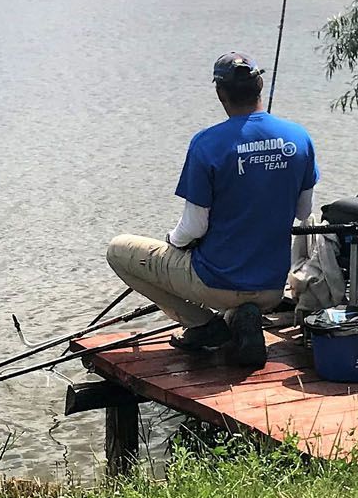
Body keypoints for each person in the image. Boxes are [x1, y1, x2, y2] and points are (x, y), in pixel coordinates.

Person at [106, 52, 317, 369]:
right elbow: (303, 212)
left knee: (118, 250)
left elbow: (192, 228)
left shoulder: (207, 143)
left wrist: (172, 244)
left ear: (220, 93)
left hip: (217, 285)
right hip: (273, 287)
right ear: (260, 85)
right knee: (238, 289)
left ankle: (203, 325)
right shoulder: (299, 138)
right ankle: (242, 317)